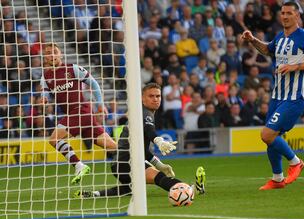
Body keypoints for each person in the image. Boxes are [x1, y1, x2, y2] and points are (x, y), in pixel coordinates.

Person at [241, 1, 304, 190]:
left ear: (297, 16)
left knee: (267, 134)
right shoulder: (280, 37)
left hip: (294, 97)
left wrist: (295, 66)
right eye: (283, 13)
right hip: (277, 97)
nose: (285, 16)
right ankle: (278, 179)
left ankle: (296, 162)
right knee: (273, 138)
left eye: (289, 13)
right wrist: (253, 39)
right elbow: (267, 50)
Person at [75, 83, 206, 197]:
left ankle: (95, 194)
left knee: (132, 188)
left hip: (121, 162)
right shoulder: (144, 113)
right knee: (158, 177)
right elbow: (150, 131)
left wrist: (159, 164)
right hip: (126, 160)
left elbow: (141, 148)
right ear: (142, 99)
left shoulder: (143, 113)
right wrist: (159, 141)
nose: (155, 99)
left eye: (158, 96)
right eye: (151, 96)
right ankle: (190, 190)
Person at [40, 43, 118, 185]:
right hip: (76, 115)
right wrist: (44, 98)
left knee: (53, 140)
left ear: (60, 54)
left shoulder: (73, 68)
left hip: (81, 110)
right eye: (48, 53)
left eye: (54, 52)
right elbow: (45, 92)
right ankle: (146, 160)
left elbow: (93, 83)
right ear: (45, 57)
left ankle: (78, 165)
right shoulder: (45, 77)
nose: (52, 55)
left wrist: (100, 104)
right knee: (112, 146)